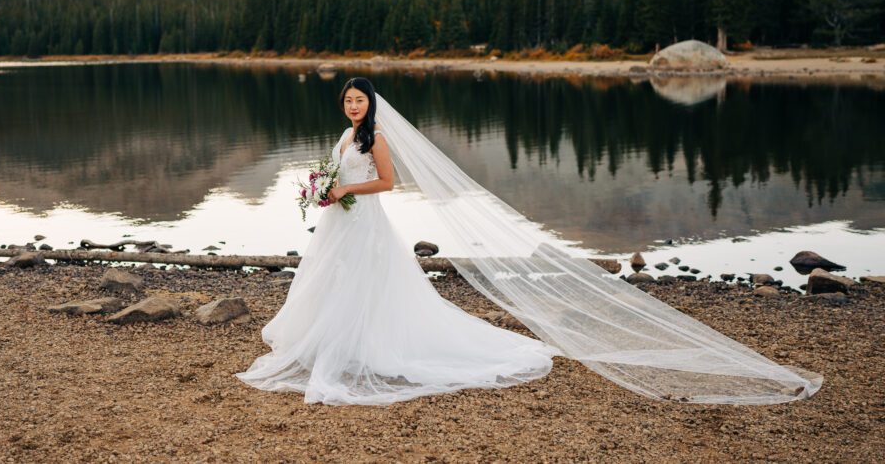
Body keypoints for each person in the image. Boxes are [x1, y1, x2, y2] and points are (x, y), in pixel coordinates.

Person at [237, 77, 823, 406]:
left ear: (373, 103)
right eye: (348, 100)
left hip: (363, 221)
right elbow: (339, 174)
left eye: (359, 99)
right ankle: (335, 346)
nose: (353, 106)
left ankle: (364, 350)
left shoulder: (380, 137)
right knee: (334, 282)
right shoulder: (344, 135)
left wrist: (346, 194)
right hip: (342, 221)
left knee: (370, 284)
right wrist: (326, 190)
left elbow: (387, 182)